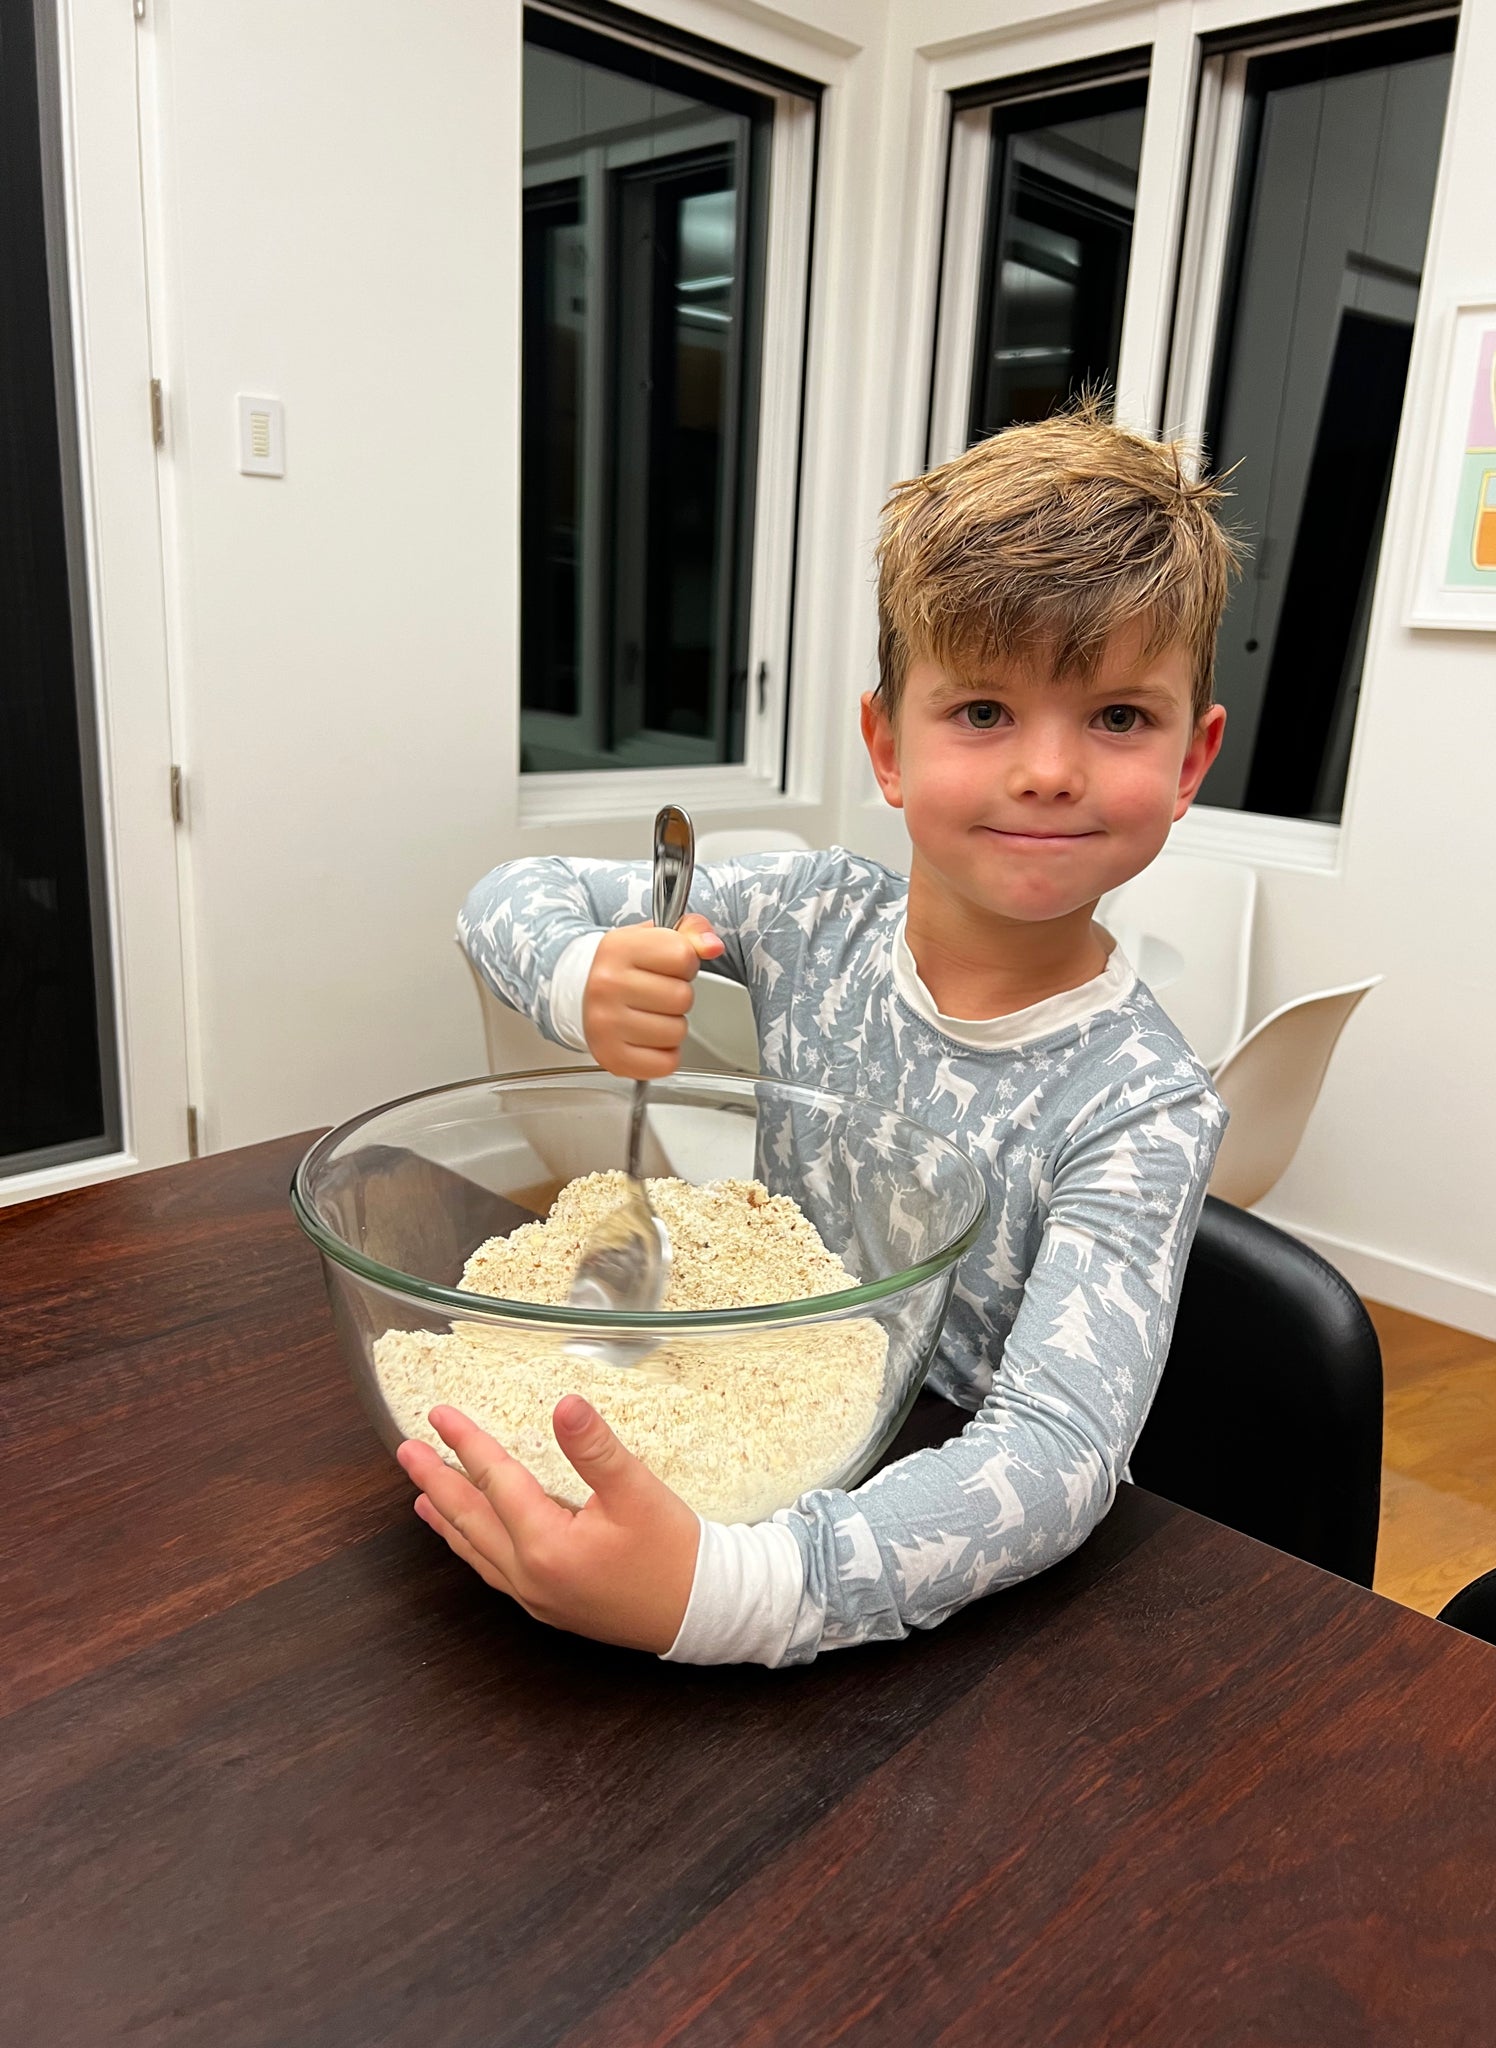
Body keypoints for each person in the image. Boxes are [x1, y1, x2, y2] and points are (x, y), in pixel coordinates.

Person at [402, 403, 1237, 1666]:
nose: (1050, 769)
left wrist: (731, 1589)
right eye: (985, 712)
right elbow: (508, 895)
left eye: (1118, 717)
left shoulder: (1142, 1104)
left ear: (1190, 760)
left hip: (896, 1513)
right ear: (887, 744)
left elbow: (1055, 1456)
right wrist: (580, 975)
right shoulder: (814, 914)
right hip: (752, 1369)